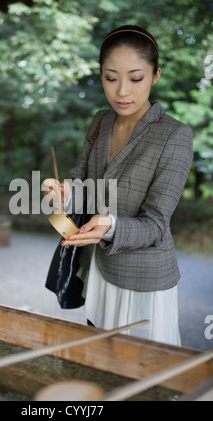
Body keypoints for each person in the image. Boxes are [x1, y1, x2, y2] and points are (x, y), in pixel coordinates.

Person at [43, 25, 193, 346]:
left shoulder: (174, 135)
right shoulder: (101, 121)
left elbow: (155, 225)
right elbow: (83, 180)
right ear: (101, 77)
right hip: (99, 267)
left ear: (155, 75)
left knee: (145, 373)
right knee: (101, 357)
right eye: (111, 78)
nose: (122, 91)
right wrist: (65, 194)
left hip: (143, 278)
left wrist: (110, 226)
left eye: (135, 78)